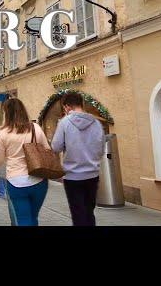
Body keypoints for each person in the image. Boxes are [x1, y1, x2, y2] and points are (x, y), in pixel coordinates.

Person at [0, 98, 50, 227]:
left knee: (23, 219)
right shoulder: (35, 128)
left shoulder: (3, 133)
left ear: (7, 113)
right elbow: (47, 150)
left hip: (16, 181)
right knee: (33, 217)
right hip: (38, 180)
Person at [51, 92, 105, 227]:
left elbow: (56, 147)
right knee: (89, 212)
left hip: (73, 176)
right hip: (93, 174)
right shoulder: (96, 122)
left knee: (78, 214)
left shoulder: (64, 122)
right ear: (81, 104)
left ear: (67, 107)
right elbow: (101, 147)